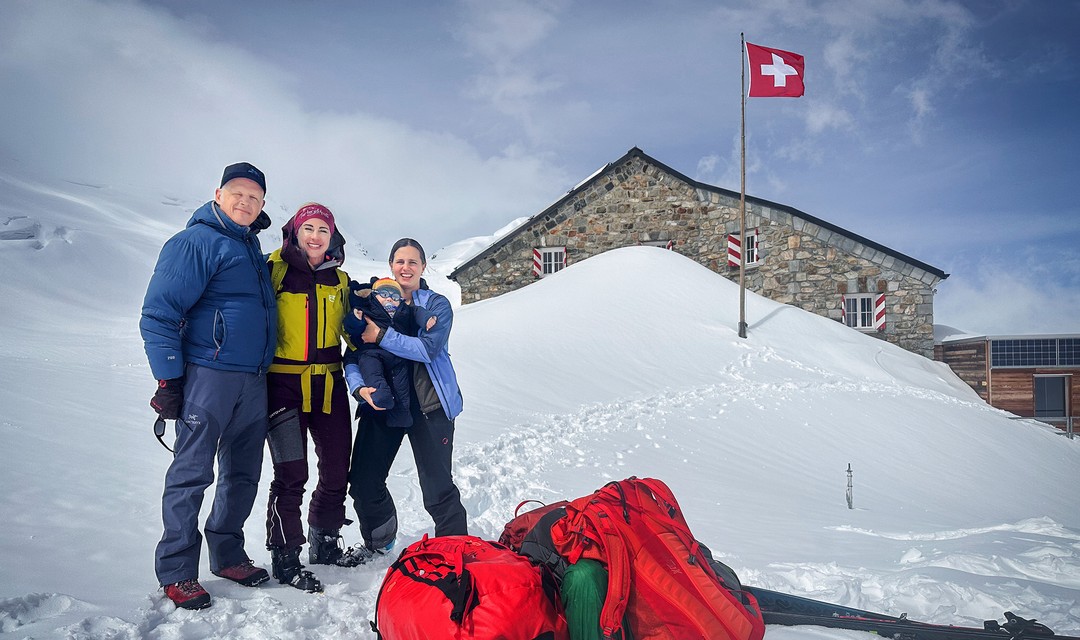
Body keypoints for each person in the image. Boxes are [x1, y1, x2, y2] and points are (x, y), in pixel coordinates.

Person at [141, 162, 276, 610]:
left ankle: (228, 555)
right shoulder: (195, 242)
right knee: (192, 473)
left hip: (253, 379)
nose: (245, 201)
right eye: (237, 192)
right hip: (209, 376)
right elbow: (159, 313)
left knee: (243, 473)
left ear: (261, 207)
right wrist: (169, 377)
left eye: (254, 197)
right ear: (217, 194)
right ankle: (178, 570)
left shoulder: (251, 247)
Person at [343, 238, 468, 557]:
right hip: (383, 405)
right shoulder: (374, 302)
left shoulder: (436, 304)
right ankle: (380, 541)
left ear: (423, 267)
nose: (406, 268)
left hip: (430, 406)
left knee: (437, 487)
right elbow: (355, 353)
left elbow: (428, 349)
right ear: (390, 266)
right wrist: (359, 388)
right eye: (400, 261)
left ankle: (455, 551)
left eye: (413, 262)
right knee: (363, 482)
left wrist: (382, 335)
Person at [263, 202, 360, 593]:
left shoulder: (341, 280)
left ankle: (325, 542)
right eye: (309, 228)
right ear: (295, 233)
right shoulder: (273, 269)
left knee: (337, 468)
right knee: (291, 474)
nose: (316, 236)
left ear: (332, 236)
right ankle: (285, 557)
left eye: (323, 229)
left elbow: (355, 334)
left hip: (330, 385)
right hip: (282, 384)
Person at [343, 277, 423, 428]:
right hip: (371, 355)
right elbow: (352, 337)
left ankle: (401, 416)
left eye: (394, 297)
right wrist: (356, 318)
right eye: (384, 294)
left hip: (397, 360)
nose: (389, 299)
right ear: (373, 295)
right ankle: (380, 396)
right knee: (372, 372)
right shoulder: (368, 311)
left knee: (401, 387)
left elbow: (426, 346)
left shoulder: (404, 313)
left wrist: (426, 318)